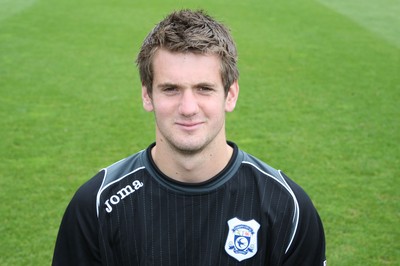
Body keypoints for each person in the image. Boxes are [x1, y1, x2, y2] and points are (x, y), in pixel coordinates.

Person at [52, 9, 326, 266]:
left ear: (230, 95)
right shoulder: (97, 206)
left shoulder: (287, 207)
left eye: (204, 88)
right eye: (170, 89)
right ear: (147, 95)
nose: (188, 108)